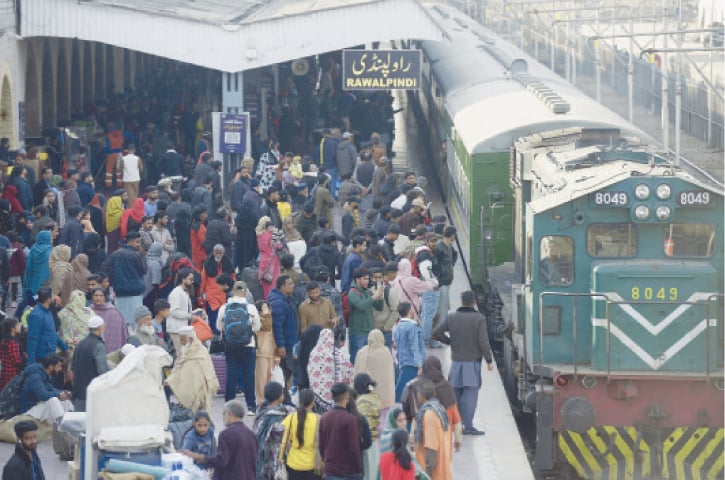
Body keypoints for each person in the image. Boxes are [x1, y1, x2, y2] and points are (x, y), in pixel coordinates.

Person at [432, 290, 494, 435]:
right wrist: (489, 360)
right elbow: (483, 341)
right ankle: (468, 426)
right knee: (470, 396)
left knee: (456, 394)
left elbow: (436, 332)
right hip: (472, 363)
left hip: (456, 363)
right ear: (474, 302)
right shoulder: (479, 319)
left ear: (461, 301)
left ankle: (455, 424)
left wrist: (449, 342)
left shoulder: (452, 317)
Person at [182, 399, 257, 480]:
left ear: (229, 414)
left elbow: (221, 461)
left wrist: (198, 457)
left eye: (223, 414)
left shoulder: (226, 434)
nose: (223, 417)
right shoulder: (251, 434)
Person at [216, 281, 260, 412]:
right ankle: (251, 406)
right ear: (245, 292)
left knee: (231, 373)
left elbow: (219, 327)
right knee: (248, 375)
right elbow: (257, 327)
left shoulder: (224, 308)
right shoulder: (250, 308)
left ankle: (229, 405)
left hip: (230, 345)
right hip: (248, 345)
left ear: (233, 292)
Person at [166, 326, 219, 412]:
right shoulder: (187, 352)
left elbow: (207, 372)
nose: (180, 342)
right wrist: (171, 379)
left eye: (182, 340)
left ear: (190, 339)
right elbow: (179, 368)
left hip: (200, 392)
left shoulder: (200, 353)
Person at [318, 382, 363, 480]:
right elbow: (353, 448)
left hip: (331, 469)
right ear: (347, 396)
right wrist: (359, 469)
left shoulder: (324, 418)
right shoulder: (350, 419)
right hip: (348, 471)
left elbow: (321, 446)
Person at [101, 231, 146, 327]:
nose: (139, 245)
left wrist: (114, 278)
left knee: (122, 319)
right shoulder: (136, 255)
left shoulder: (115, 254)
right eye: (137, 242)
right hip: (135, 291)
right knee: (136, 320)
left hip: (120, 291)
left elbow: (104, 268)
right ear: (130, 242)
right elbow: (143, 270)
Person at [253, 382, 296, 479]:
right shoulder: (284, 414)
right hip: (278, 462)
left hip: (260, 461)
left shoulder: (260, 412)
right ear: (280, 396)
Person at [279, 389, 321, 479]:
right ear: (313, 402)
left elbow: (284, 442)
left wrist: (280, 460)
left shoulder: (291, 417)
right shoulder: (318, 419)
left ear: (299, 401)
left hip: (293, 463)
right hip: (313, 465)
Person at [71, 315, 111, 412]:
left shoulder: (80, 344)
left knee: (79, 423)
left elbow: (72, 367)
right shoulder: (98, 345)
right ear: (101, 328)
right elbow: (103, 371)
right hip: (93, 393)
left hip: (78, 392)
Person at [413, 381, 452, 480]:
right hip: (442, 470)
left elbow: (432, 448)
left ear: (421, 394)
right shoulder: (438, 408)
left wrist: (426, 475)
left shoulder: (429, 415)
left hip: (434, 474)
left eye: (417, 392)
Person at [18, 355, 73, 423]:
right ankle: (60, 426)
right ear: (50, 366)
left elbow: (51, 389)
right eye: (58, 366)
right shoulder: (35, 377)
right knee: (54, 400)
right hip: (29, 409)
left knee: (65, 401)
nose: (60, 369)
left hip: (37, 406)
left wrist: (64, 393)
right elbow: (43, 395)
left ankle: (70, 425)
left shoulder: (43, 374)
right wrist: (59, 395)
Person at [307, 329, 353, 410]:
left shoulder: (313, 353)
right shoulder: (338, 353)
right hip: (335, 393)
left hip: (317, 394)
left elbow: (309, 370)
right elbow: (347, 369)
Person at [348, 267, 384, 364]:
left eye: (368, 279)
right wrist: (374, 296)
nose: (367, 281)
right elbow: (361, 306)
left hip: (369, 331)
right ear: (357, 279)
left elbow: (379, 307)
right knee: (356, 359)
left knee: (368, 361)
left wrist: (380, 296)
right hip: (357, 332)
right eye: (364, 279)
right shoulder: (352, 293)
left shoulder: (368, 291)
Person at [353, 329, 395, 410]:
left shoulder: (362, 352)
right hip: (385, 395)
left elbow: (356, 371)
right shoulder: (386, 352)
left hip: (366, 392)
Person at [269, 275, 299, 388]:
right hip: (286, 345)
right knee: (286, 373)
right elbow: (277, 326)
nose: (293, 286)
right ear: (282, 287)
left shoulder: (287, 299)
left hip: (291, 343)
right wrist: (281, 345)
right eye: (290, 284)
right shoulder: (279, 303)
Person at [26, 288, 69, 365]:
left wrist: (64, 347)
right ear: (48, 300)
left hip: (50, 353)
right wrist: (32, 362)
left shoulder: (48, 311)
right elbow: (32, 339)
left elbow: (52, 332)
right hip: (42, 356)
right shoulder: (37, 315)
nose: (54, 298)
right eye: (52, 296)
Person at [393, 303, 425, 403]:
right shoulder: (412, 327)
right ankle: (398, 407)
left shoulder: (398, 326)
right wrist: (420, 364)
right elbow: (414, 347)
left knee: (404, 386)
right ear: (409, 311)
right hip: (412, 363)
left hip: (403, 361)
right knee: (404, 387)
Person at [202, 244, 235, 333]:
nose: (218, 255)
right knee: (214, 319)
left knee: (224, 318)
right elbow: (203, 279)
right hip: (212, 296)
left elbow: (233, 278)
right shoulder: (207, 263)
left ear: (223, 253)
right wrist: (202, 293)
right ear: (213, 253)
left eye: (220, 253)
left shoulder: (227, 263)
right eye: (216, 253)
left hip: (224, 295)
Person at [354, 374, 381, 480]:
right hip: (374, 438)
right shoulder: (375, 397)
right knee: (374, 470)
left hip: (366, 439)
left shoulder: (362, 401)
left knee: (367, 471)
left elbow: (362, 423)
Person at [88, 288, 127, 353]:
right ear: (92, 297)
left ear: (104, 297)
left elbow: (121, 331)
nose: (98, 298)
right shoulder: (88, 311)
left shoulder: (113, 311)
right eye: (96, 295)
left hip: (112, 347)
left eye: (101, 296)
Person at [167, 269, 197, 355]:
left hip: (182, 329)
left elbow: (183, 310)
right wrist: (190, 316)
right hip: (177, 329)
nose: (192, 281)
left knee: (183, 356)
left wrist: (195, 313)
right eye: (190, 279)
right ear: (183, 279)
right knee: (181, 356)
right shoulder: (176, 293)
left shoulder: (184, 292)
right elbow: (174, 311)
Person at [254, 300, 278, 407]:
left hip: (271, 352)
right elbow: (267, 326)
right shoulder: (258, 320)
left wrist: (276, 354)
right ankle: (260, 400)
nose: (270, 311)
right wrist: (266, 313)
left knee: (270, 378)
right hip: (260, 353)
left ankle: (269, 400)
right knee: (261, 379)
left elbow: (274, 338)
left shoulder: (270, 319)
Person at [435, 227, 457, 330]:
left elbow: (455, 255)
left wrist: (451, 265)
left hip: (447, 280)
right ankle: (439, 330)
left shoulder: (448, 246)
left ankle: (441, 328)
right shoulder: (440, 248)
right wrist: (438, 280)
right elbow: (436, 265)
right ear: (452, 235)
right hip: (442, 282)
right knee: (442, 308)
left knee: (444, 306)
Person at [257, 216, 282, 299]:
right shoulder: (271, 235)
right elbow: (279, 246)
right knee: (273, 284)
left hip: (263, 260)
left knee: (265, 285)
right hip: (272, 261)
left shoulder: (259, 235)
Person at [23, 230, 53, 296]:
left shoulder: (33, 248)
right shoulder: (50, 250)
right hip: (45, 279)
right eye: (50, 237)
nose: (52, 239)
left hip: (33, 278)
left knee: (33, 298)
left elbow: (28, 265)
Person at [0, 318, 24, 391]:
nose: (19, 326)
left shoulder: (4, 341)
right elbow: (16, 360)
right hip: (12, 372)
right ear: (12, 328)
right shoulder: (13, 342)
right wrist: (24, 358)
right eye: (17, 324)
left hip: (5, 371)